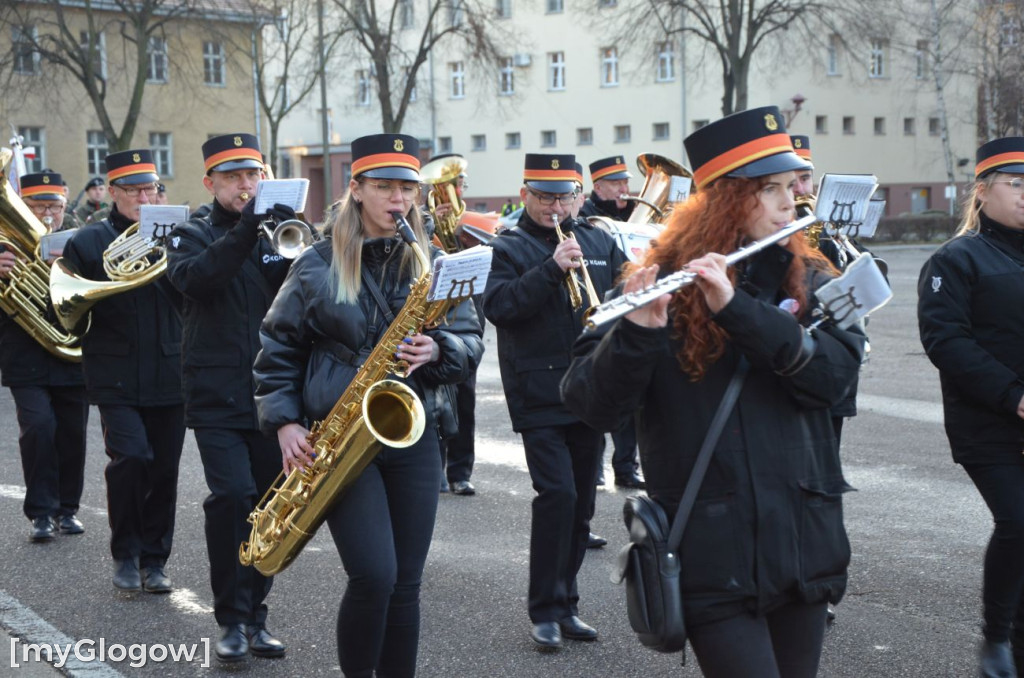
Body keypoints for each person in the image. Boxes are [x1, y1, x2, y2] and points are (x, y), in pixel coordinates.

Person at [562, 106, 864, 677]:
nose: (789, 203)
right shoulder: (653, 282)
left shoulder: (812, 277)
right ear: (725, 199)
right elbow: (590, 404)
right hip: (710, 554)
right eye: (768, 190)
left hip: (803, 541)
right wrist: (637, 333)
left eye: (791, 186)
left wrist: (740, 310)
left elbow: (834, 381)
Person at [253, 133, 483, 678]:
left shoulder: (434, 261)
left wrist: (441, 347)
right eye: (383, 187)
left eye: (406, 189)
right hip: (341, 435)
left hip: (415, 433)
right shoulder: (315, 263)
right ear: (356, 190)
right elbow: (277, 348)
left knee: (405, 585)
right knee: (374, 576)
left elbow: (471, 341)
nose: (397, 200)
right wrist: (284, 423)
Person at [483, 153, 628, 651]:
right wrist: (549, 269)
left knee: (583, 505)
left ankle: (566, 604)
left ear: (579, 195)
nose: (555, 206)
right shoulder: (508, 246)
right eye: (544, 197)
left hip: (590, 387)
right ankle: (543, 610)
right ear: (525, 194)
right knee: (558, 497)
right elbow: (501, 308)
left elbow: (620, 293)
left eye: (564, 196)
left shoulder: (598, 238)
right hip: (539, 391)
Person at [166, 133, 293, 663]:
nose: (246, 186)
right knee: (234, 499)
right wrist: (246, 229)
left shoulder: (278, 234)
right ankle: (232, 619)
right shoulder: (186, 234)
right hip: (215, 393)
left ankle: (256, 615)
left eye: (253, 175)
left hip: (270, 392)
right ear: (210, 182)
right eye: (234, 177)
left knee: (268, 508)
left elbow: (299, 299)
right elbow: (197, 281)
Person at [918, 136, 1024, 678]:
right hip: (990, 424)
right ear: (982, 192)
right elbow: (947, 341)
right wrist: (1014, 395)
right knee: (1019, 522)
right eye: (1016, 183)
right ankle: (995, 638)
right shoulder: (956, 259)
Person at [61, 149, 185, 594]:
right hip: (114, 371)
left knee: (165, 470)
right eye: (132, 189)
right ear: (112, 193)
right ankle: (126, 553)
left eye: (149, 188)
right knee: (131, 459)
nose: (142, 196)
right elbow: (69, 303)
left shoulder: (178, 235)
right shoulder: (88, 242)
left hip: (171, 369)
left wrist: (173, 250)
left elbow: (193, 295)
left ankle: (155, 560)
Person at [0, 171, 88, 542]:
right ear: (23, 206)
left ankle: (67, 509)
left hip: (73, 350)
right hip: (25, 354)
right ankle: (41, 512)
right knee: (37, 428)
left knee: (73, 433)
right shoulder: (4, 246)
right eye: (38, 205)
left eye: (55, 205)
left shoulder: (83, 242)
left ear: (66, 205)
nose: (48, 213)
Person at [579, 156, 645, 490]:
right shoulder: (588, 219)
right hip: (593, 312)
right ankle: (597, 469)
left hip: (627, 306)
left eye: (625, 182)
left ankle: (625, 465)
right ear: (598, 187)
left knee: (627, 397)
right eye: (617, 183)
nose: (625, 189)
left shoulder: (634, 213)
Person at [424, 152, 480, 496]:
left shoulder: (469, 222)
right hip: (431, 314)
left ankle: (461, 471)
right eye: (451, 184)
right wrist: (432, 223)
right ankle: (438, 469)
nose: (456, 190)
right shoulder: (424, 217)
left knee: (465, 398)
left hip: (464, 311)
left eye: (458, 184)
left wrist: (460, 236)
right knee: (437, 398)